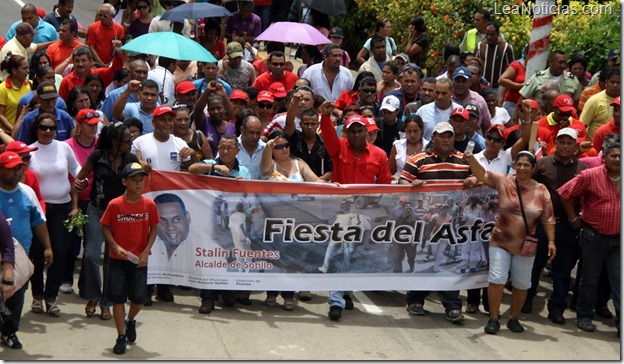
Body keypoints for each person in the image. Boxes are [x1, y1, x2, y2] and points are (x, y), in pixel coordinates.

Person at [464, 149, 556, 334]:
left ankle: (514, 318)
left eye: (526, 165)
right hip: (501, 239)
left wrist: (552, 241)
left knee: (522, 283)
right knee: (497, 278)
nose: (522, 168)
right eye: (519, 164)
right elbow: (481, 174)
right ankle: (494, 317)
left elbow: (548, 218)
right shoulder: (504, 181)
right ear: (513, 165)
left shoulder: (541, 190)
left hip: (526, 244)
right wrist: (470, 158)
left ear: (533, 168)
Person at [319, 102, 391, 321]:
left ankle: (345, 290)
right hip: (342, 212)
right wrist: (325, 115)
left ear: (366, 132)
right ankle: (336, 300)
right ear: (346, 132)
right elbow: (328, 135)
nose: (357, 135)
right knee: (342, 248)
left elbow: (386, 186)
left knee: (354, 253)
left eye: (361, 131)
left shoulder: (379, 155)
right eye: (353, 131)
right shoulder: (338, 148)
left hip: (365, 215)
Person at [398, 122, 472, 322]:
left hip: (452, 222)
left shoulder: (464, 161)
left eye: (450, 136)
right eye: (442, 136)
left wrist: (474, 180)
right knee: (425, 259)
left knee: (448, 262)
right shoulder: (418, 160)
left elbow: (477, 183)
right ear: (434, 138)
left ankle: (452, 306)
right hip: (427, 220)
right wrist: (411, 184)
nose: (447, 139)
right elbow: (401, 182)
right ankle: (415, 299)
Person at [523, 127, 589, 325]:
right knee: (534, 266)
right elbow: (528, 188)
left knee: (562, 270)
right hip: (542, 225)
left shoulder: (583, 169)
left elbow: (588, 197)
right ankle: (526, 300)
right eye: (562, 142)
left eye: (570, 143)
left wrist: (579, 217)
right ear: (556, 144)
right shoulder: (542, 164)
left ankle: (556, 308)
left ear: (575, 147)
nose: (565, 146)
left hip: (568, 228)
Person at [72, 123, 138, 319]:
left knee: (112, 261)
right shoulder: (97, 156)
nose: (131, 143)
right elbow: (78, 182)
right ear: (116, 142)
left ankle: (107, 303)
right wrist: (75, 207)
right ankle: (93, 295)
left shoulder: (131, 159)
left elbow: (140, 182)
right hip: (96, 211)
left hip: (118, 215)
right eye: (128, 140)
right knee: (91, 255)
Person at [558, 139, 620, 334]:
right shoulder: (589, 175)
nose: (617, 159)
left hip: (619, 240)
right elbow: (565, 194)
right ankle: (584, 316)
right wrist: (573, 218)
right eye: (613, 155)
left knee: (618, 281)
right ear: (605, 157)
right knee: (589, 279)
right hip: (594, 237)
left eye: (621, 156)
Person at [260, 130, 324, 310]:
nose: (283, 149)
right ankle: (272, 293)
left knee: (295, 258)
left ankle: (290, 295)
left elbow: (315, 181)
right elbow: (264, 166)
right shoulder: (268, 165)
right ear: (272, 149)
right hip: (274, 222)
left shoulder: (299, 163)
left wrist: (333, 186)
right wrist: (267, 147)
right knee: (275, 258)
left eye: (286, 145)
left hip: (299, 223)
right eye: (278, 146)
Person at [100, 162, 159, 355]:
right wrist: (115, 246)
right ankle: (121, 336)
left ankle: (131, 320)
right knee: (118, 299)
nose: (139, 184)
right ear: (125, 182)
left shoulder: (149, 205)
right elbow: (105, 227)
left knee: (139, 299)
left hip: (139, 261)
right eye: (134, 181)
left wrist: (145, 252)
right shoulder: (115, 204)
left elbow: (154, 228)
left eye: (141, 180)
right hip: (117, 260)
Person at [27, 113, 81, 318]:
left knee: (59, 252)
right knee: (38, 253)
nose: (48, 131)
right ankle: (37, 297)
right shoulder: (30, 150)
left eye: (51, 127)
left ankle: (51, 298)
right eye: (43, 127)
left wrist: (81, 182)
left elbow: (77, 169)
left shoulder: (64, 147)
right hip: (38, 210)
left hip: (62, 207)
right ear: (36, 129)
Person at [0, 151, 52, 350]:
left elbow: (38, 221)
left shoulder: (27, 192)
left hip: (21, 257)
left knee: (17, 296)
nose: (17, 172)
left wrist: (47, 246)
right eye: (12, 169)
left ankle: (9, 331)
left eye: (20, 168)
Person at [58, 45, 124, 103]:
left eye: (83, 60)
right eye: (77, 61)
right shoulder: (66, 81)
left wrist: (119, 54)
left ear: (91, 61)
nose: (80, 64)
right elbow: (63, 105)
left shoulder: (100, 74)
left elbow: (115, 70)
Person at [193, 82, 235, 157]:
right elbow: (198, 110)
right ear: (208, 110)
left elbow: (231, 115)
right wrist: (207, 91)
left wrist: (224, 95)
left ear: (224, 109)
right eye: (212, 109)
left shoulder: (231, 127)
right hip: (207, 165)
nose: (216, 112)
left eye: (219, 108)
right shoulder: (204, 123)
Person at [580, 68, 620, 141]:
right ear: (606, 83)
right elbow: (582, 126)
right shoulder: (594, 101)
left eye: (618, 82)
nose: (615, 85)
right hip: (596, 146)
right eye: (612, 82)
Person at [475, 22, 514, 90]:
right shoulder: (480, 46)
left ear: (498, 34)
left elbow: (511, 68)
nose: (489, 37)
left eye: (492, 34)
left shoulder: (506, 47)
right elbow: (474, 65)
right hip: (482, 86)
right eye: (487, 34)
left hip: (498, 87)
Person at [389, 114, 427, 180]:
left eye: (415, 131)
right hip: (399, 186)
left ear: (421, 130)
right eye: (409, 131)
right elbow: (390, 172)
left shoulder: (427, 146)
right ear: (405, 130)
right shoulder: (398, 146)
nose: (412, 134)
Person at [0, 55, 31, 133]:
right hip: (8, 133)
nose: (28, 71)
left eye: (28, 68)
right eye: (24, 68)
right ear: (14, 70)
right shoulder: (2, 88)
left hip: (26, 131)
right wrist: (14, 130)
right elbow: (0, 115)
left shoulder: (30, 85)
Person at [498, 44, 528, 123]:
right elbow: (502, 80)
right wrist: (519, 86)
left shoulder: (538, 68)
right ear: (525, 53)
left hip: (527, 107)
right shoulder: (516, 66)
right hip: (512, 105)